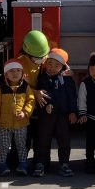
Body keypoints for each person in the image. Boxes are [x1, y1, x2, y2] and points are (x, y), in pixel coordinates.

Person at [33, 48, 78, 177]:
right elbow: (43, 93)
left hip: (62, 114)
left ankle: (64, 164)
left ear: (62, 66)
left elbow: (72, 96)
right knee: (43, 139)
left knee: (64, 140)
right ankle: (41, 163)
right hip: (46, 114)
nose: (52, 68)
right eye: (50, 64)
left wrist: (73, 112)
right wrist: (47, 105)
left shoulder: (67, 79)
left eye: (56, 65)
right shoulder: (42, 77)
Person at [0, 59, 35, 176]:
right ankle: (1, 164)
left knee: (21, 145)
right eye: (11, 71)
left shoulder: (26, 87)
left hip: (21, 124)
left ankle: (23, 164)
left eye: (18, 71)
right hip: (4, 124)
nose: (15, 73)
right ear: (6, 74)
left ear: (22, 73)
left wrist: (25, 112)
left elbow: (31, 101)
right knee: (4, 146)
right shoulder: (1, 89)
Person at [14, 30, 51, 161]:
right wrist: (35, 92)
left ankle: (40, 162)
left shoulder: (46, 59)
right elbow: (14, 85)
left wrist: (67, 71)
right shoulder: (18, 64)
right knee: (22, 140)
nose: (41, 59)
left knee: (41, 140)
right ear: (27, 53)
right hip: (24, 110)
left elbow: (60, 64)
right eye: (37, 57)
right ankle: (19, 161)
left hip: (41, 109)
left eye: (43, 56)